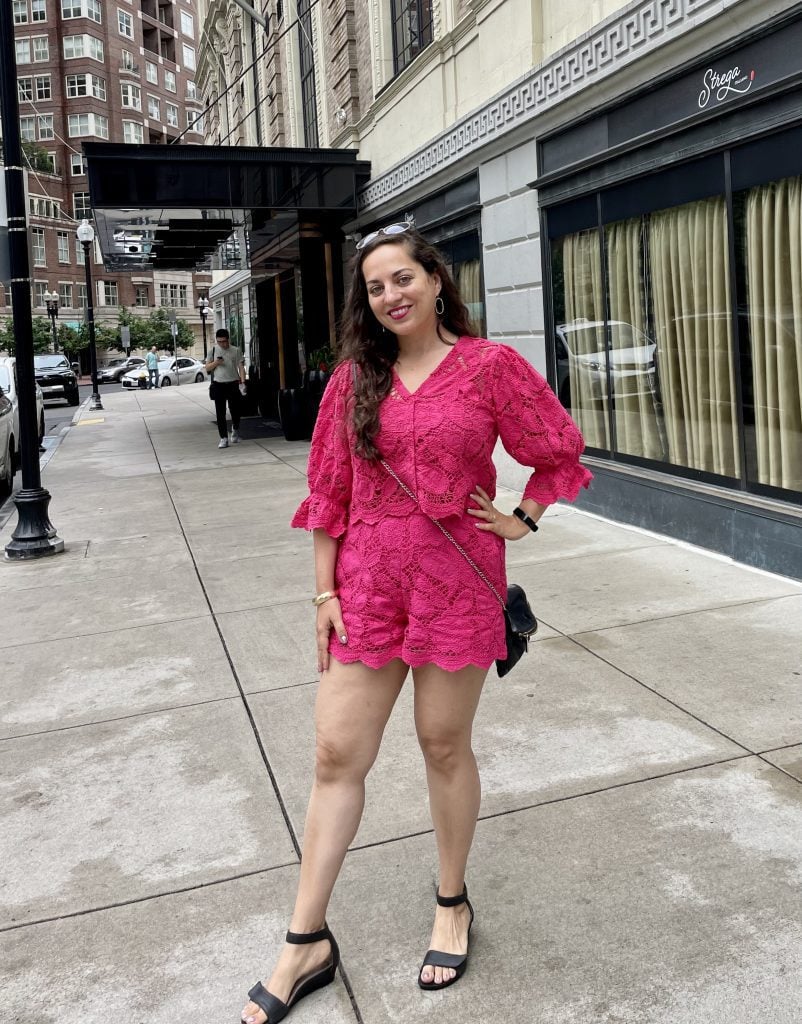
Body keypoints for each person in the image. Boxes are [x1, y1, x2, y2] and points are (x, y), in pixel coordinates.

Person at [240, 224, 592, 1024]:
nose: (391, 295)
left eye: (404, 278)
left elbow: (558, 449)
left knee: (442, 744)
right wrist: (323, 594)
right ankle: (304, 940)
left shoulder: (489, 367)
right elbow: (328, 493)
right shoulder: (352, 381)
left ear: (436, 280)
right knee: (336, 753)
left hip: (456, 583)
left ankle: (452, 901)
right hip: (367, 587)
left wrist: (524, 518)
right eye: (375, 287)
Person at [204, 328, 246, 448]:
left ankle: (235, 430)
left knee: (235, 411)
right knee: (220, 413)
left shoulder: (236, 350)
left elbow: (241, 367)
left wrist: (242, 382)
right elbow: (207, 368)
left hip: (233, 383)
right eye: (219, 342)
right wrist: (216, 363)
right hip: (219, 384)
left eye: (224, 341)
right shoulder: (213, 350)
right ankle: (223, 438)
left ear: (228, 339)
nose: (222, 344)